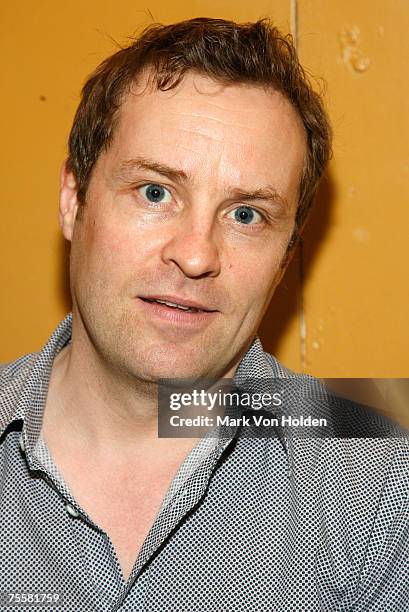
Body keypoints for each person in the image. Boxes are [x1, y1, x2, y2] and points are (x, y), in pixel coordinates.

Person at [0, 17, 407, 612]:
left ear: (287, 253)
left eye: (246, 215)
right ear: (73, 200)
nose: (195, 255)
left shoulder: (382, 487)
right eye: (155, 192)